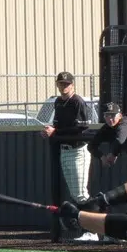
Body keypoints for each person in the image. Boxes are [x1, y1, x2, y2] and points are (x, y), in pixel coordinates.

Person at [40, 71, 95, 241]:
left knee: (80, 194)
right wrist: (50, 130)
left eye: (67, 84)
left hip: (78, 150)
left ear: (73, 85)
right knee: (75, 194)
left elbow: (81, 128)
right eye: (61, 84)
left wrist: (56, 131)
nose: (64, 87)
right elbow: (58, 124)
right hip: (64, 150)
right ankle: (86, 228)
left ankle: (92, 231)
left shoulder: (77, 101)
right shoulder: (58, 102)